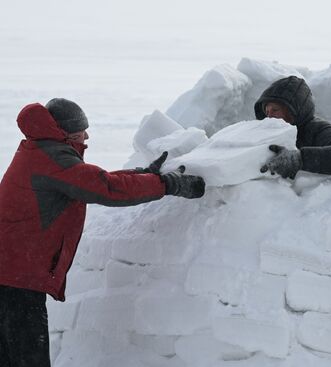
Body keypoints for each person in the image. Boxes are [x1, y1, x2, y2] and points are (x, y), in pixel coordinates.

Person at [0, 98, 205, 367]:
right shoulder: (52, 157)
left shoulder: (39, 150)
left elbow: (88, 179)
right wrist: (167, 184)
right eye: (80, 131)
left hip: (11, 271)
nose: (86, 136)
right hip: (16, 277)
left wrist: (141, 175)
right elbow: (104, 187)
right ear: (64, 133)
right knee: (27, 358)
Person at [255, 75, 331, 179]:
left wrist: (299, 159)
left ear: (292, 110)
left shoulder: (317, 128)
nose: (268, 116)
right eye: (266, 111)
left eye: (275, 110)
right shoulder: (265, 133)